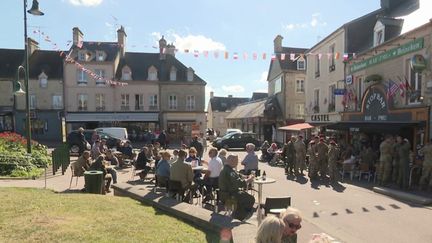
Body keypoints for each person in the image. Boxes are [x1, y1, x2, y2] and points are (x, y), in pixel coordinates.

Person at [218, 154, 255, 221]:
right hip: (229, 194)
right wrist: (249, 179)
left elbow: (236, 176)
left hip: (224, 193)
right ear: (232, 161)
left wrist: (244, 176)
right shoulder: (229, 171)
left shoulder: (226, 169)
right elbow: (239, 183)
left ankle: (238, 214)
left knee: (244, 197)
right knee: (250, 199)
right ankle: (240, 217)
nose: (237, 163)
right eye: (236, 161)